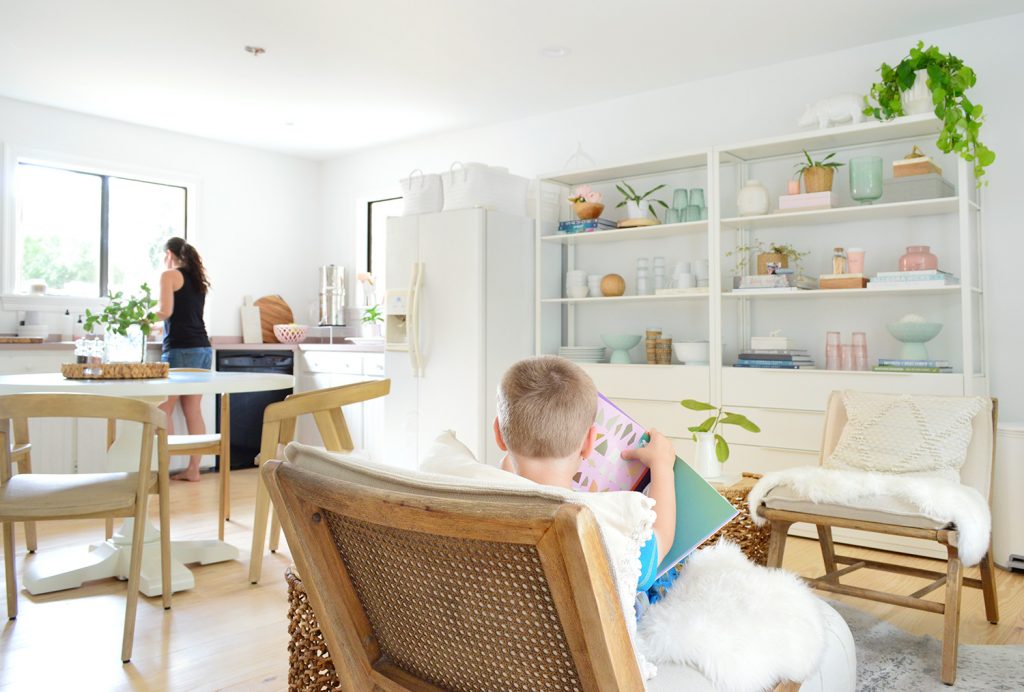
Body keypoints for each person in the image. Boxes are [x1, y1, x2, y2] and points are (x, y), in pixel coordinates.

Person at [493, 355, 677, 594]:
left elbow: (509, 468)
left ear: (498, 434)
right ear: (590, 442)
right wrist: (662, 466)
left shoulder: (485, 505)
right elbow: (660, 540)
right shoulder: (610, 523)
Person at [154, 237, 213, 482]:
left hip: (181, 349)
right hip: (202, 349)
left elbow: (165, 311)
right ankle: (194, 469)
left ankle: (163, 470)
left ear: (169, 254)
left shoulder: (169, 275)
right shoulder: (197, 280)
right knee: (193, 409)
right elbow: (184, 314)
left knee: (163, 409)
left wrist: (139, 318)